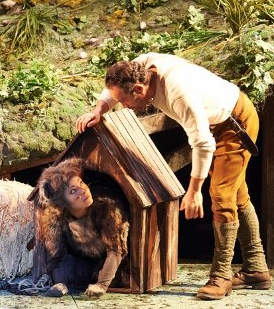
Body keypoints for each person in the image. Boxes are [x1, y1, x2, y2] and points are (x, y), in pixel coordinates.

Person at [76, 52, 271, 300]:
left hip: (234, 125)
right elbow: (113, 91)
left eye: (124, 101)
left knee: (221, 197)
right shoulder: (141, 66)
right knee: (237, 195)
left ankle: (221, 275)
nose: (122, 106)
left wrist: (194, 191)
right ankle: (256, 268)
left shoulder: (179, 93)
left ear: (138, 89)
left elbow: (203, 143)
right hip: (213, 124)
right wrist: (100, 109)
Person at [33, 157, 129, 298]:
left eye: (81, 183)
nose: (82, 190)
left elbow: (115, 250)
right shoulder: (56, 218)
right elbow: (57, 255)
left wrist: (101, 284)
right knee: (65, 264)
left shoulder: (106, 207)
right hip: (83, 262)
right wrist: (60, 282)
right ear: (63, 203)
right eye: (73, 191)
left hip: (113, 263)